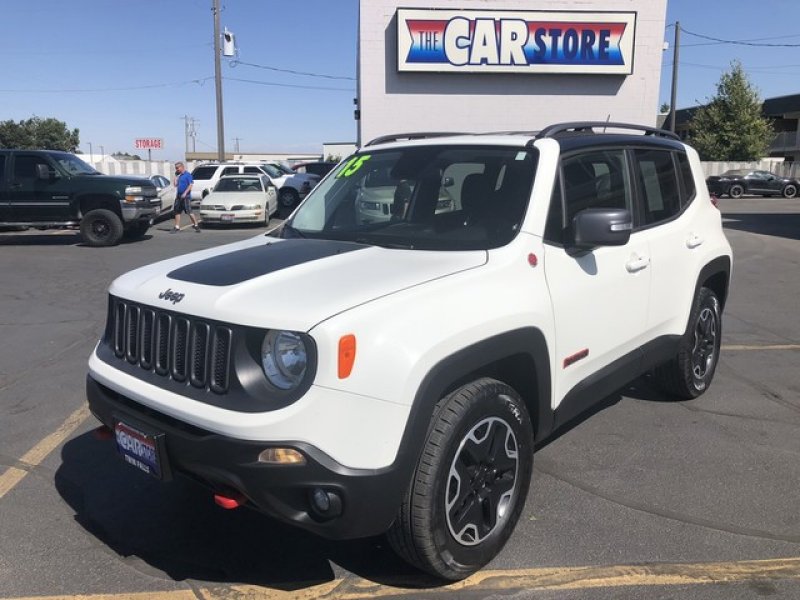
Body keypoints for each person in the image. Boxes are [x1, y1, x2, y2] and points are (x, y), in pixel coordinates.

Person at [172, 161, 200, 233]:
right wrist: (175, 177)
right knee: (177, 211)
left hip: (186, 196)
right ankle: (177, 227)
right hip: (179, 196)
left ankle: (196, 225)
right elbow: (175, 185)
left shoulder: (188, 175)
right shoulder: (179, 176)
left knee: (189, 211)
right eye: (176, 168)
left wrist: (185, 193)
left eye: (177, 168)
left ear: (182, 167)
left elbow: (190, 185)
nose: (176, 169)